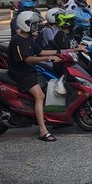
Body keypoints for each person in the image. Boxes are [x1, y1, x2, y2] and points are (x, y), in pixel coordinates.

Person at [6, 11, 61, 141]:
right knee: (40, 96)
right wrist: (48, 58)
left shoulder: (30, 38)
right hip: (21, 73)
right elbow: (27, 59)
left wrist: (62, 52)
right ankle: (43, 130)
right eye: (33, 24)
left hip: (30, 70)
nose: (36, 27)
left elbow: (40, 51)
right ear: (25, 25)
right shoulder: (17, 40)